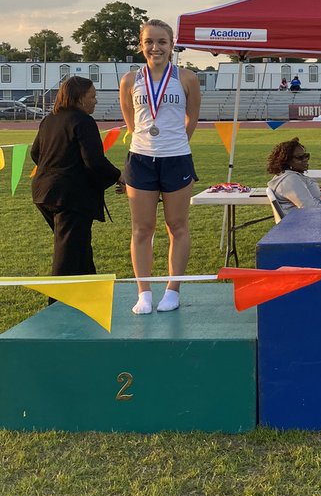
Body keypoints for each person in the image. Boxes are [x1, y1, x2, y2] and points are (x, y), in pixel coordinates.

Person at [120, 20, 200, 315]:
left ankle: (172, 289)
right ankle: (144, 292)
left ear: (172, 44)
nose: (156, 47)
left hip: (176, 158)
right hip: (140, 159)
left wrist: (175, 142)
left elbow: (192, 118)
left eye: (162, 42)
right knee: (142, 228)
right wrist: (149, 141)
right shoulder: (130, 80)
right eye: (149, 42)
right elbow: (131, 121)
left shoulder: (187, 78)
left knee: (177, 226)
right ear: (141, 45)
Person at [30, 77, 122, 278]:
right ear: (80, 98)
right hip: (70, 198)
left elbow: (35, 154)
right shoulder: (83, 121)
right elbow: (94, 161)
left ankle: (90, 292)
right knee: (68, 257)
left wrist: (56, 169)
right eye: (92, 96)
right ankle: (56, 307)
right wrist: (119, 176)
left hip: (44, 193)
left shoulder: (49, 119)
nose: (95, 101)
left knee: (77, 248)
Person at [266, 138, 321, 209]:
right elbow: (310, 208)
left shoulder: (289, 176)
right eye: (300, 157)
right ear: (286, 160)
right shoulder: (290, 180)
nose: (305, 160)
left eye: (306, 156)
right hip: (309, 218)